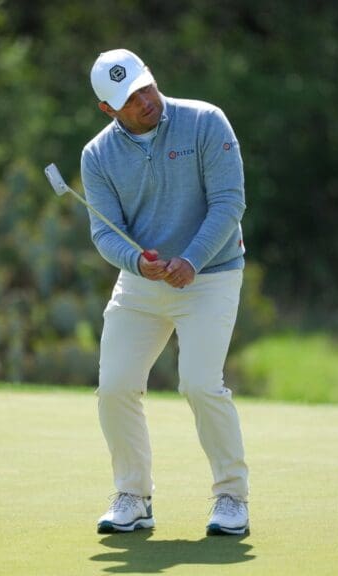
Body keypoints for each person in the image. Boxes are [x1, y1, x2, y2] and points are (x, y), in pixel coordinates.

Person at [81, 48, 250, 536]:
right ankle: (133, 495)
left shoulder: (205, 122)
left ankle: (232, 498)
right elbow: (105, 233)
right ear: (107, 110)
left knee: (199, 383)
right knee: (114, 386)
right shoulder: (97, 155)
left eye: (144, 87)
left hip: (212, 274)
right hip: (142, 283)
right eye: (127, 99)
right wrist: (137, 261)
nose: (143, 101)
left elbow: (229, 201)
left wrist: (191, 260)